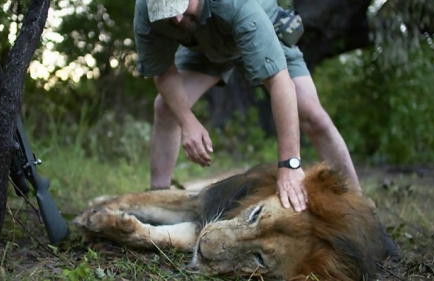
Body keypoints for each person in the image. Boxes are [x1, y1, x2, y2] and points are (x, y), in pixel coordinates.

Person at [133, 0, 361, 212]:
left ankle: (358, 204)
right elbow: (162, 70)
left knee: (315, 117)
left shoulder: (237, 5)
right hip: (207, 47)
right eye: (168, 11)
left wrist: (290, 165)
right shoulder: (147, 10)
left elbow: (280, 82)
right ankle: (157, 199)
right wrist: (187, 121)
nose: (177, 20)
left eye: (181, 7)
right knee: (166, 108)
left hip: (264, 30)